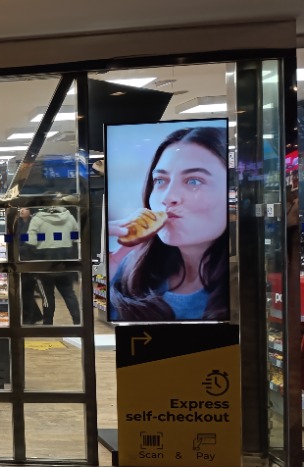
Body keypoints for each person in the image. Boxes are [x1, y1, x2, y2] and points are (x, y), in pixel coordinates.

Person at [108, 126, 228, 322]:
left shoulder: (245, 286)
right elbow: (102, 328)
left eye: (194, 181)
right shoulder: (130, 269)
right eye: (160, 180)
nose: (167, 197)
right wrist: (108, 272)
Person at [28, 206, 81, 325]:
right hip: (65, 260)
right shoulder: (69, 216)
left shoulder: (37, 219)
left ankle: (48, 323)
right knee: (69, 294)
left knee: (47, 296)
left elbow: (31, 241)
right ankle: (78, 321)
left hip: (45, 261)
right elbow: (76, 236)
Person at [16, 208, 43, 324]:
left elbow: (34, 242)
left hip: (30, 259)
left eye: (25, 209)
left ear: (30, 211)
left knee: (27, 288)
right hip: (19, 259)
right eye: (20, 209)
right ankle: (34, 315)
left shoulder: (35, 223)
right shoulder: (17, 223)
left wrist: (19, 249)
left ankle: (30, 318)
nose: (22, 211)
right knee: (24, 289)